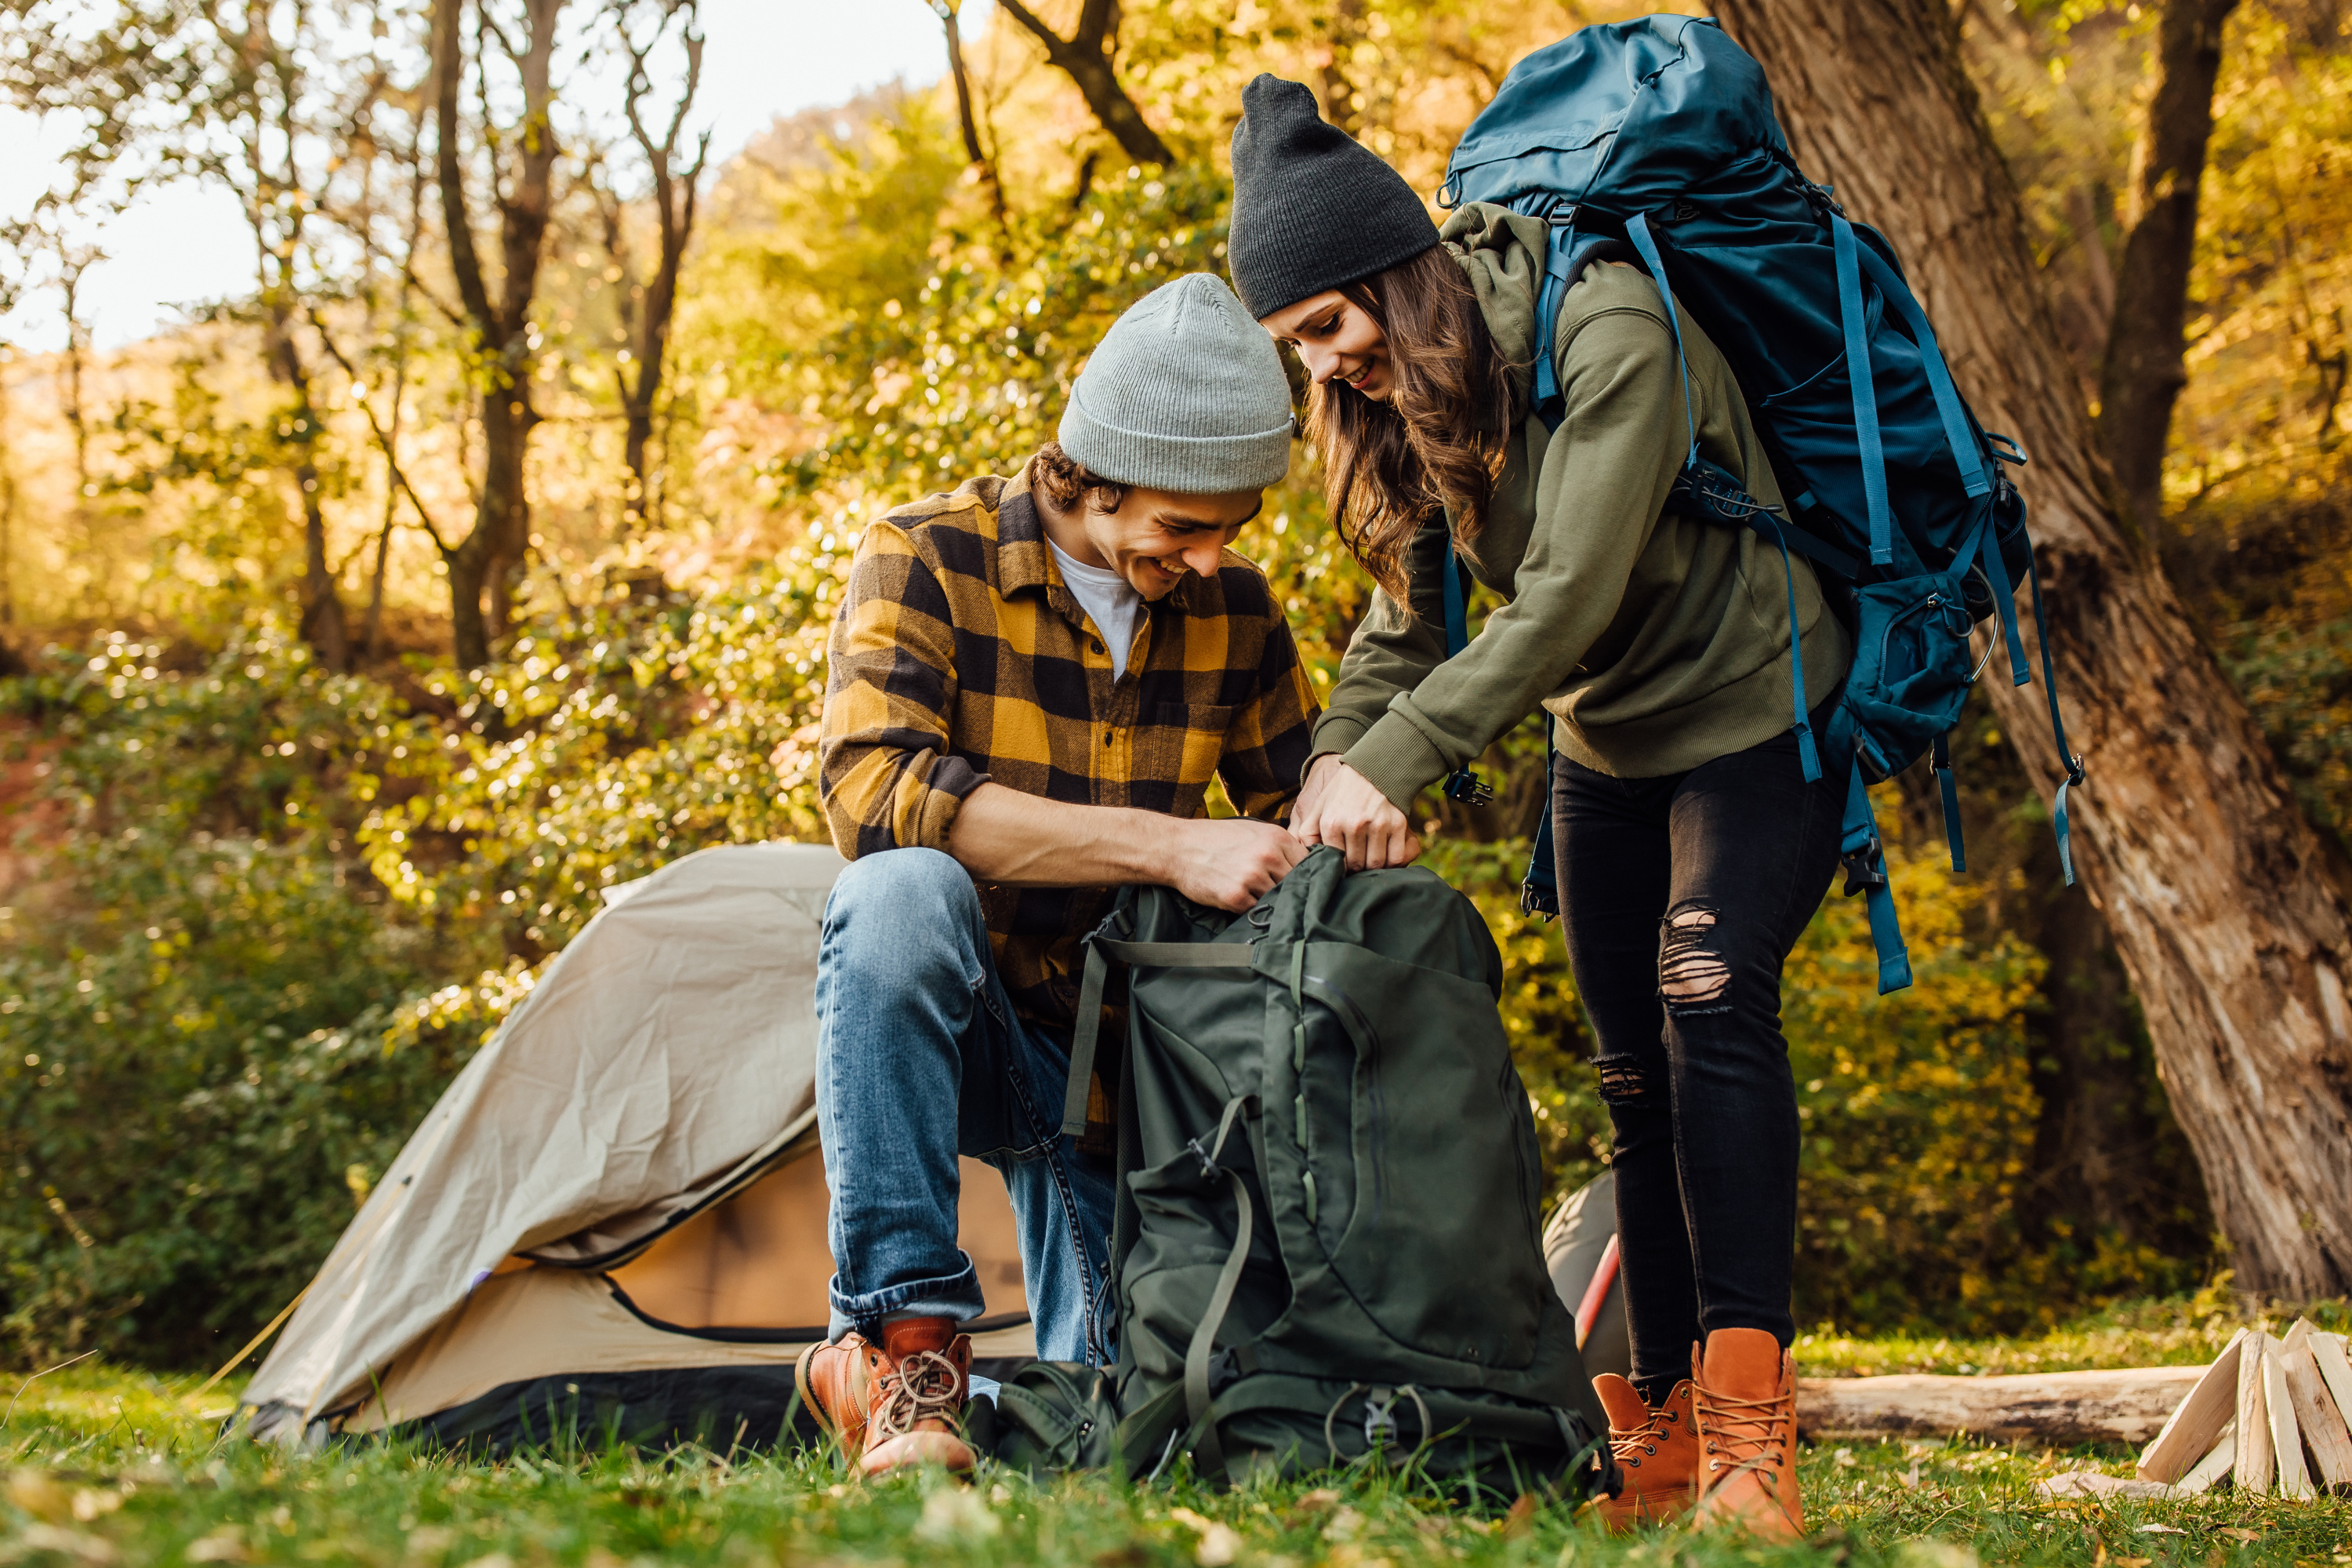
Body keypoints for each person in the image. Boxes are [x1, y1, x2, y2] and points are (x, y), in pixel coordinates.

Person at [1225, 76, 1853, 1541]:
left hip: (1759, 708)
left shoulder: (1605, 326)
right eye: (1294, 348)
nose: (1324, 369)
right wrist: (1336, 759)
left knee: (1707, 989)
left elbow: (1564, 599)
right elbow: (1412, 615)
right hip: (1608, 747)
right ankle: (1664, 1423)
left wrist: (1407, 760)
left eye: (1327, 326)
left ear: (1389, 272)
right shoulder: (1409, 396)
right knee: (1631, 1071)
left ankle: (1759, 1427)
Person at [796, 272, 1319, 1475]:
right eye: (1184, 528)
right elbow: (874, 797)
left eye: (1231, 529)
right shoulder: (926, 555)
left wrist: (1355, 793)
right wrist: (1174, 844)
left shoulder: (1233, 607)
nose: (1209, 557)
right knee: (896, 894)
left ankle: (918, 1383)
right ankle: (904, 1356)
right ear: (1097, 471)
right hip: (957, 1016)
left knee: (1114, 1434)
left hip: (1124, 1063)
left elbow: (1294, 809)